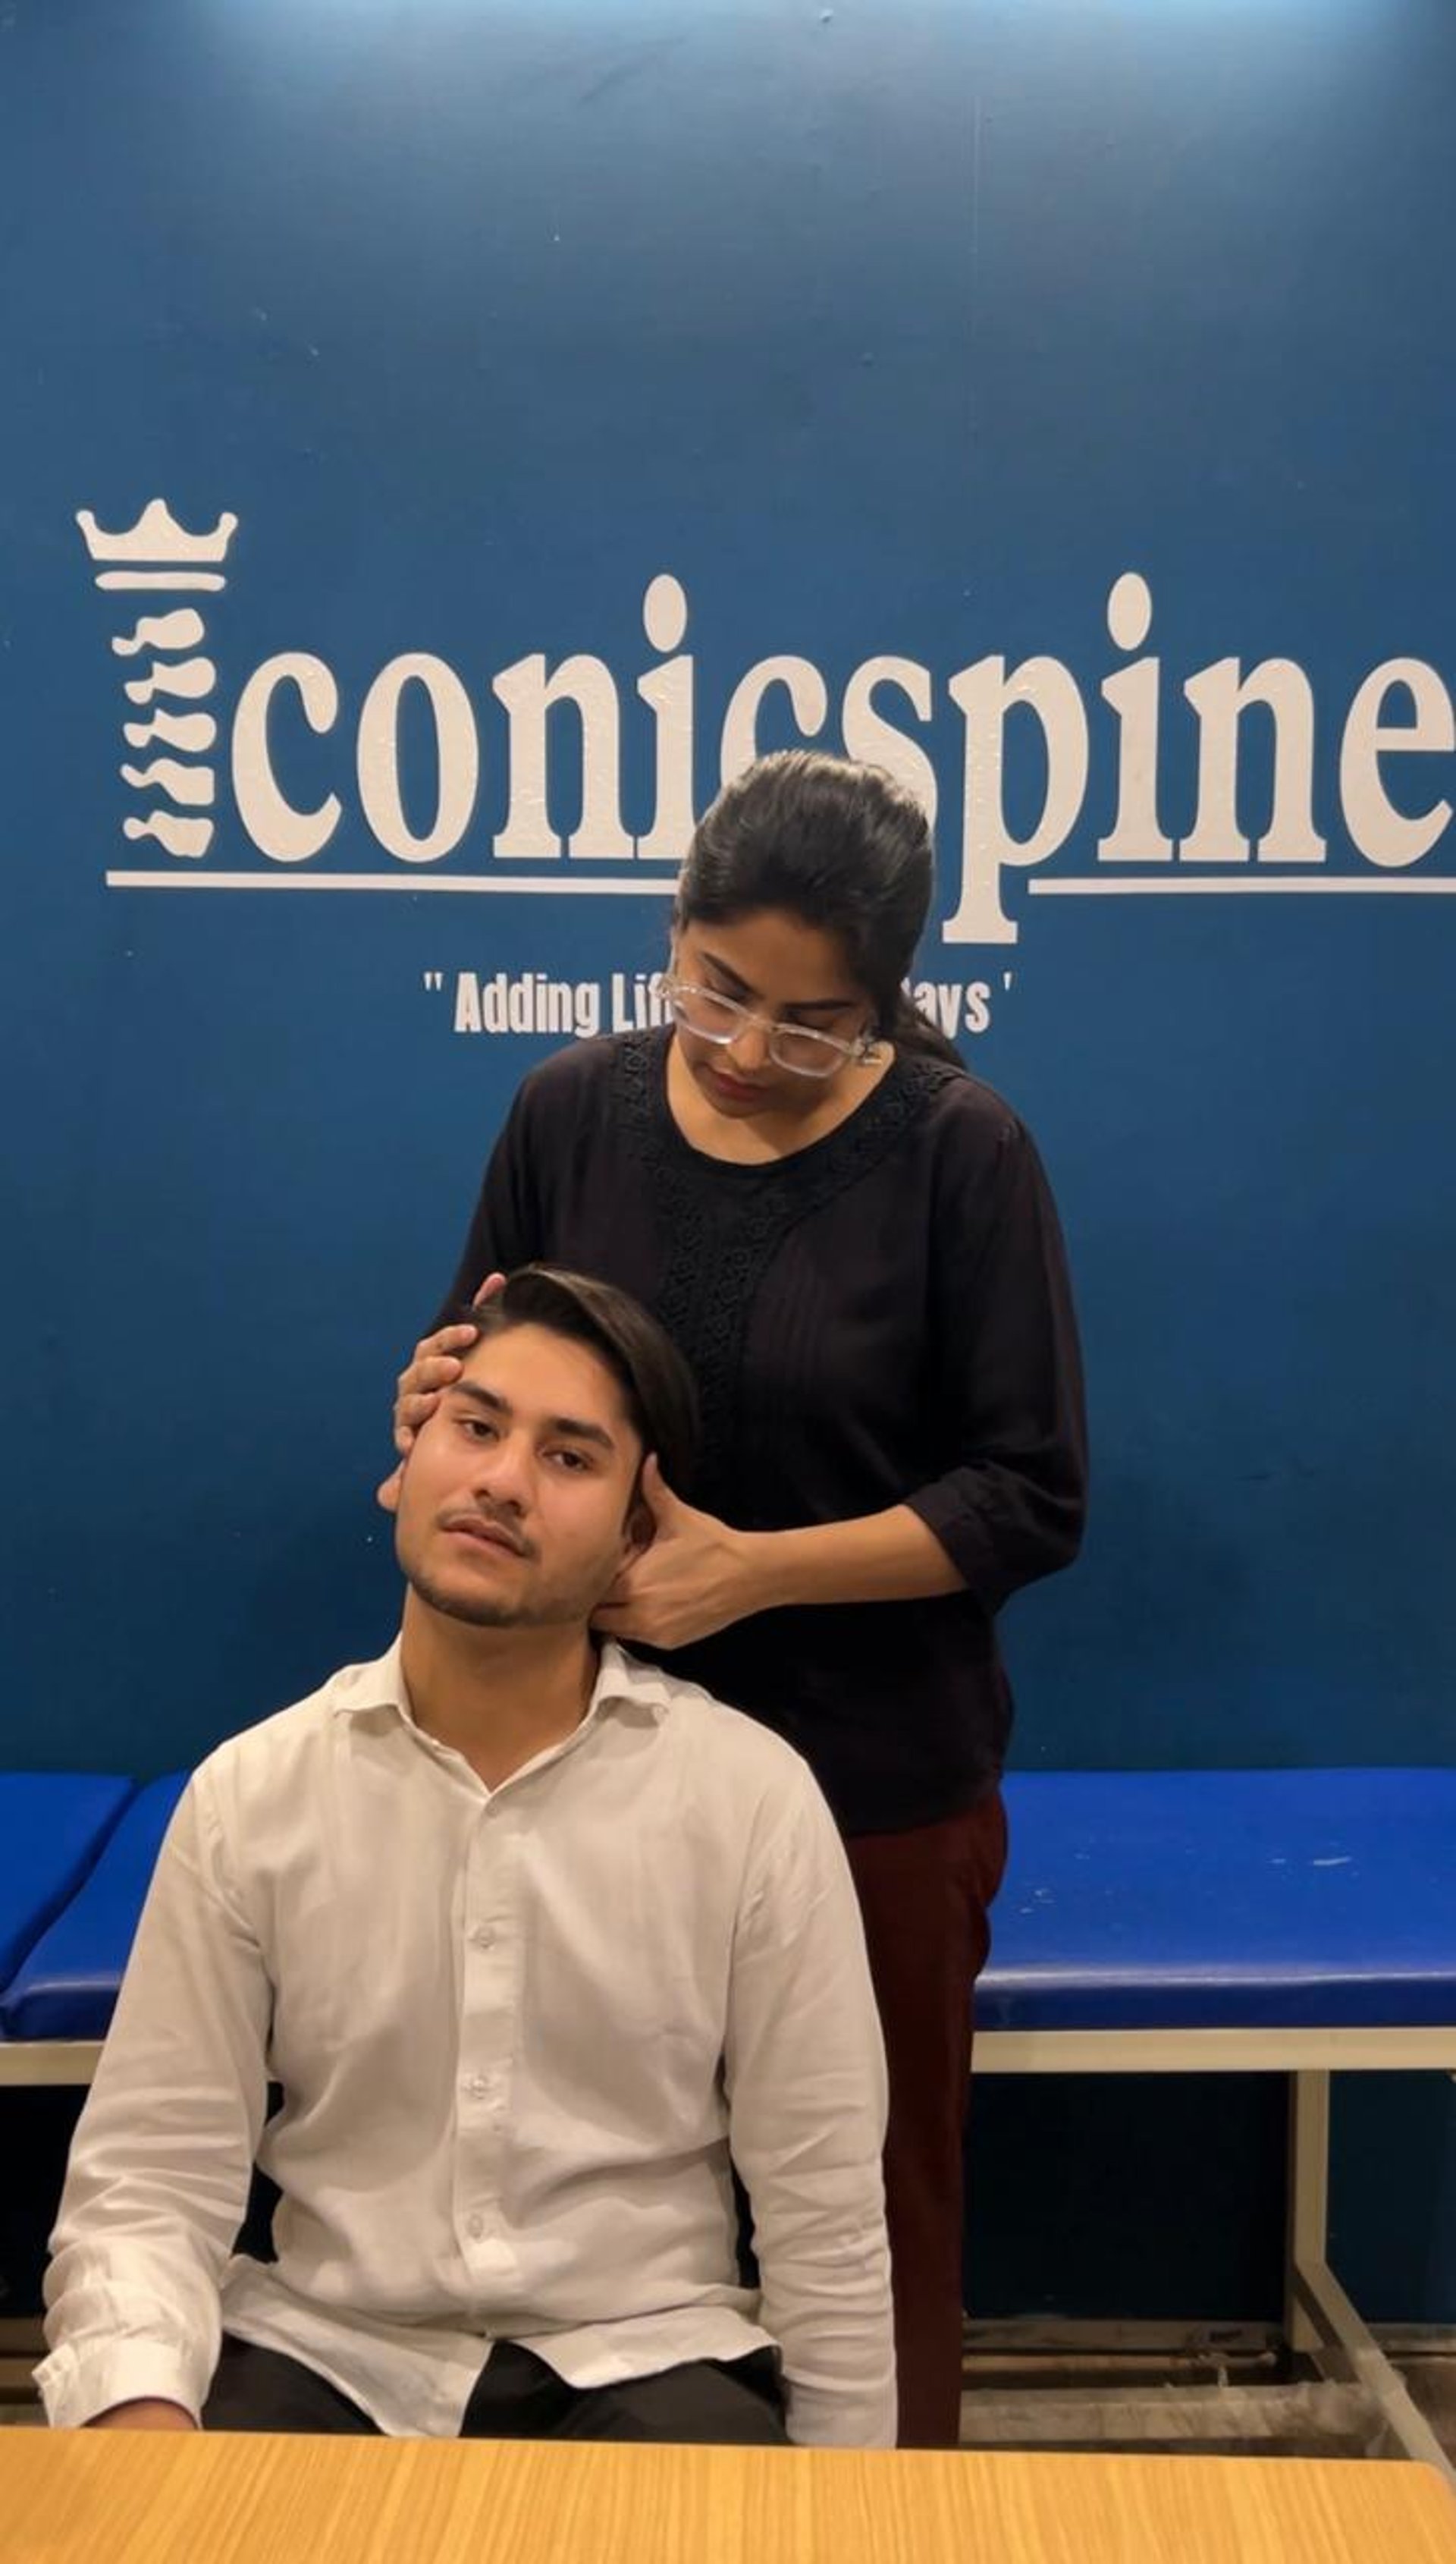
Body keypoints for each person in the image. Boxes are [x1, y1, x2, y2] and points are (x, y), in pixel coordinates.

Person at [393, 749, 1088, 2446]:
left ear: (894, 1001)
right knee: (579, 2214)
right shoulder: (570, 1108)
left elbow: (1032, 1492)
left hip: (871, 1786)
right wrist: (434, 1403)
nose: (754, 1051)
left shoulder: (962, 1153)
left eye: (818, 1021)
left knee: (863, 2213)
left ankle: (878, 2522)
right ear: (671, 927)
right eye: (719, 991)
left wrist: (753, 1576)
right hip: (580, 1763)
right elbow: (486, 1369)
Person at [39, 1267, 895, 2447]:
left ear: (639, 1531)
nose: (500, 1481)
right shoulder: (254, 1793)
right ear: (407, 1461)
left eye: (569, 1457)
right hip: (325, 2354)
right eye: (477, 1427)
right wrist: (141, 2427)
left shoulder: (747, 1799)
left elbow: (824, 2208)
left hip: (648, 2358)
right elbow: (150, 2177)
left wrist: (844, 2506)